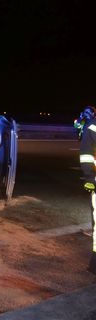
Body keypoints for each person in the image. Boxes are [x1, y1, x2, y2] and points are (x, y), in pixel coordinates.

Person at [77, 105, 96, 273]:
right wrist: (90, 177)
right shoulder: (89, 124)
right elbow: (86, 154)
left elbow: (86, 152)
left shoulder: (91, 125)